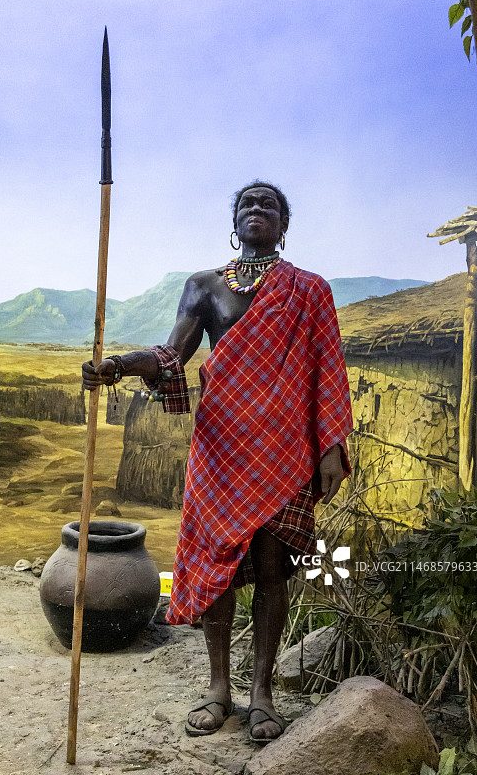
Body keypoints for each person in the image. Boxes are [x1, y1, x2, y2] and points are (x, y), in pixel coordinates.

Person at [82, 181, 353, 742]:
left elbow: (330, 369)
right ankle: (217, 689)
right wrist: (118, 366)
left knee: (274, 570)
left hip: (285, 451)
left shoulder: (309, 291)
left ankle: (262, 695)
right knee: (217, 564)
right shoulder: (203, 286)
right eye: (247, 205)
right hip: (221, 450)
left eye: (269, 205)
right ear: (234, 221)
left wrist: (330, 446)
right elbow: (171, 355)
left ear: (284, 225)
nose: (258, 211)